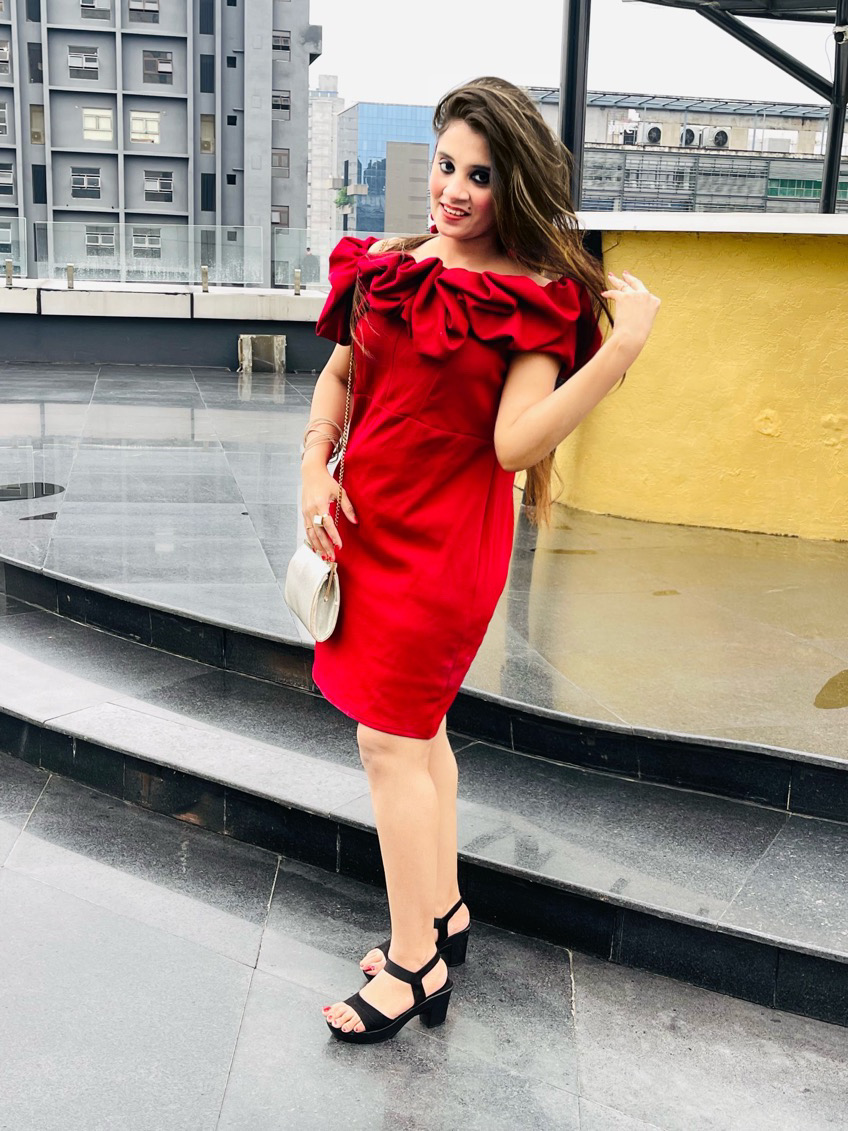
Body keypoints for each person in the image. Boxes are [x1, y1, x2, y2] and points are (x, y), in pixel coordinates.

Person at [299, 76, 660, 1045]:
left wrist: (618, 352)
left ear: (515, 186)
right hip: (367, 531)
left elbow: (512, 445)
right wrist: (311, 468)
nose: (453, 190)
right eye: (446, 165)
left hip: (444, 550)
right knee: (419, 739)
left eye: (481, 176)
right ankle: (443, 912)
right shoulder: (391, 262)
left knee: (387, 742)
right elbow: (340, 373)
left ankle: (413, 962)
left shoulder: (532, 300)